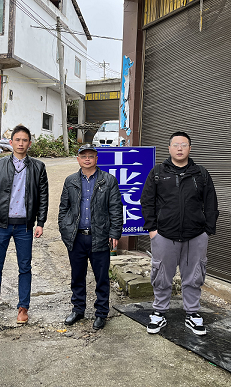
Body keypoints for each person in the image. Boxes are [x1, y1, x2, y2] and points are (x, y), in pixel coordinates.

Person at [140, 131, 219, 335]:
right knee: (161, 274)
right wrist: (152, 230)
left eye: (184, 145)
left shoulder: (200, 174)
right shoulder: (158, 172)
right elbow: (147, 201)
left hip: (196, 235)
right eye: (176, 145)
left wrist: (207, 230)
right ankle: (159, 312)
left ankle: (192, 313)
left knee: (194, 275)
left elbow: (211, 202)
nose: (180, 148)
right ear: (169, 148)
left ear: (190, 148)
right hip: (164, 234)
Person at [0, 124, 48, 325]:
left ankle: (23, 307)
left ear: (30, 143)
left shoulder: (38, 167)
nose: (21, 143)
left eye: (24, 140)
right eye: (17, 140)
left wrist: (40, 222)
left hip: (24, 227)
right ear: (11, 142)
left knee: (25, 267)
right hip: (0, 224)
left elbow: (43, 197)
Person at [59, 144, 123, 330]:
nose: (87, 159)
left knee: (101, 278)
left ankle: (101, 313)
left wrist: (114, 232)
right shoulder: (70, 181)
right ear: (78, 159)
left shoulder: (108, 180)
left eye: (91, 156)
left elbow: (115, 208)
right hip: (77, 237)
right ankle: (78, 309)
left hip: (100, 236)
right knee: (77, 276)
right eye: (83, 156)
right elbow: (64, 208)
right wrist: (65, 229)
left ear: (96, 159)